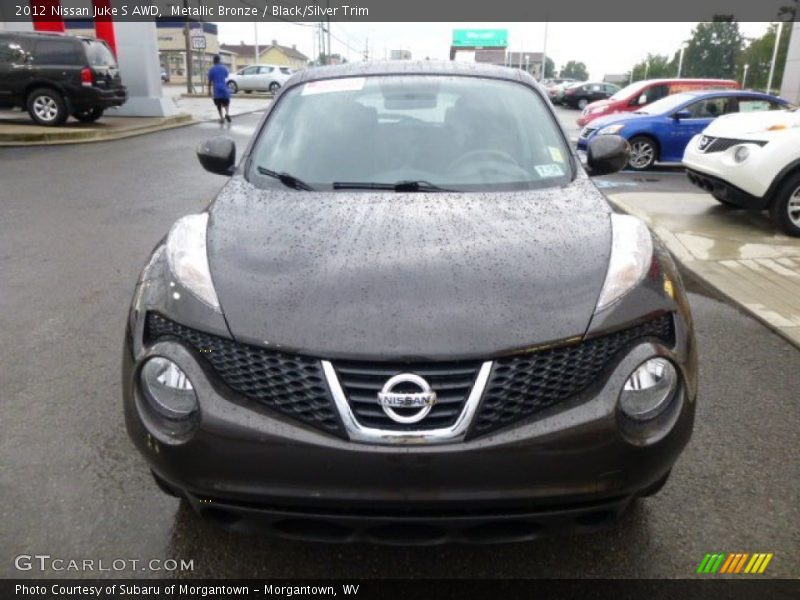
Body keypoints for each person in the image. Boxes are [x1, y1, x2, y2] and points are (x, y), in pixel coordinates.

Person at [207, 55, 231, 123]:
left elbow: (209, 81)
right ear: (219, 60)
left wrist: (209, 91)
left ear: (214, 61)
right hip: (224, 89)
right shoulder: (224, 68)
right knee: (226, 103)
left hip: (216, 90)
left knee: (219, 105)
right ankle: (227, 113)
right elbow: (226, 76)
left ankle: (221, 118)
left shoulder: (211, 69)